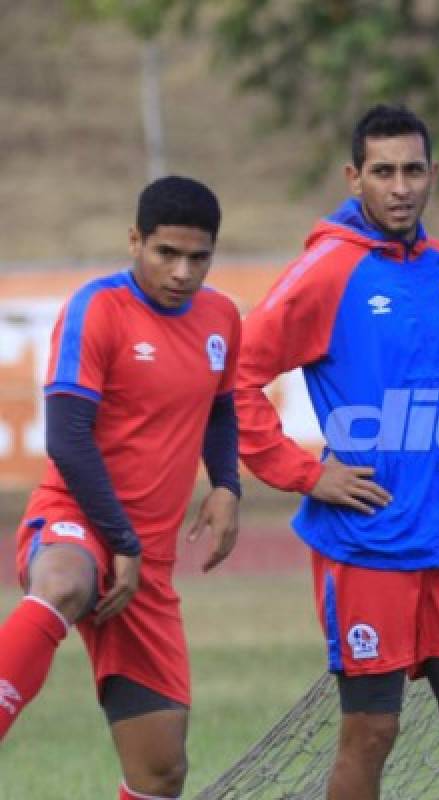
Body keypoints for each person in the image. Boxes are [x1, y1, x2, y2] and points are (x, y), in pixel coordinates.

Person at [235, 104, 439, 800]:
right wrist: (305, 472)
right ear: (354, 176)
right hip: (369, 544)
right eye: (383, 171)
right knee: (371, 732)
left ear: (433, 174)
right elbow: (233, 377)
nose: (400, 186)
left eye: (413, 170)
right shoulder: (326, 271)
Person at [0, 176, 242, 799]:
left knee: (161, 773)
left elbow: (219, 407)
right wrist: (120, 542)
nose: (183, 272)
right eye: (167, 253)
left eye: (199, 257)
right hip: (77, 520)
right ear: (135, 241)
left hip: (148, 565)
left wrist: (226, 486)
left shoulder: (220, 318)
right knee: (64, 583)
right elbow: (67, 440)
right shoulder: (98, 309)